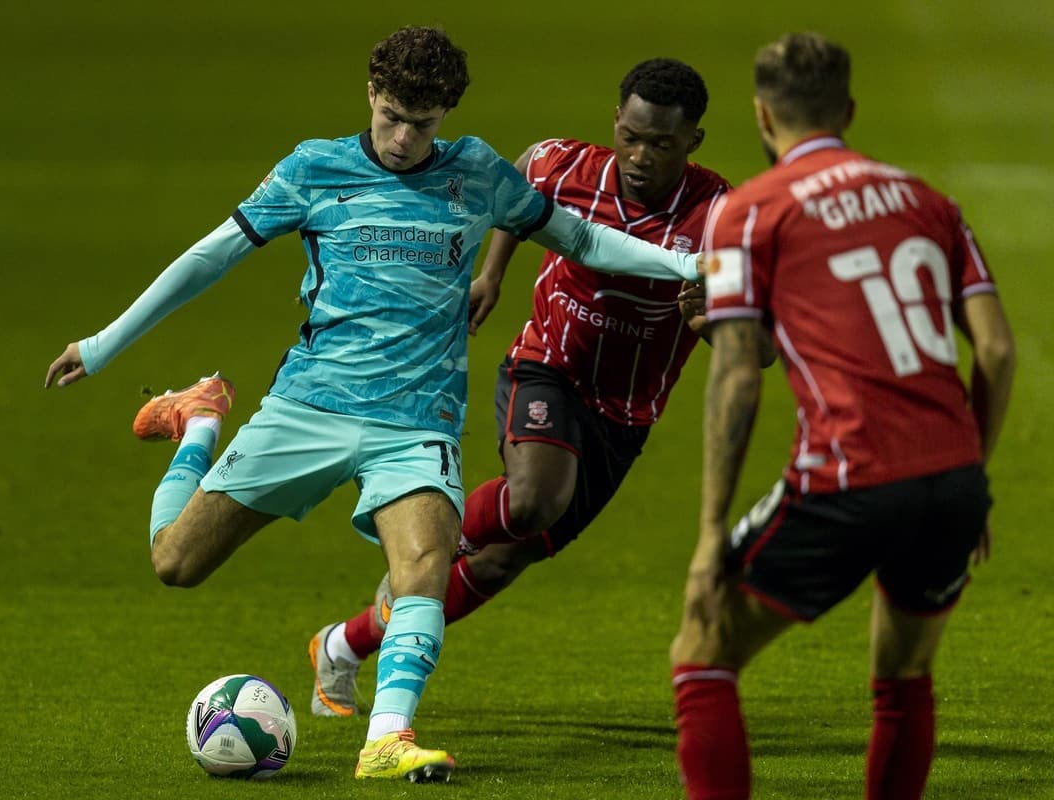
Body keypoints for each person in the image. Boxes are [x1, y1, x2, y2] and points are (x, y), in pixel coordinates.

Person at [43, 26, 701, 783]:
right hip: (308, 408)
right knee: (175, 563)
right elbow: (207, 258)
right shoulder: (314, 169)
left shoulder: (478, 174)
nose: (400, 137)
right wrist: (101, 345)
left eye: (420, 124)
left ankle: (386, 737)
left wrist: (686, 262)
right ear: (370, 95)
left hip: (415, 425)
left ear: (446, 111)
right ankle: (198, 420)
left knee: (423, 566)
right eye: (390, 115)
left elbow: (583, 239)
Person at [308, 59, 772, 719]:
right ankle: (431, 540)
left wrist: (708, 323)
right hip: (547, 366)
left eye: (661, 144)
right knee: (531, 498)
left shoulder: (723, 220)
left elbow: (766, 353)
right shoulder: (565, 167)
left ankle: (341, 647)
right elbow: (516, 178)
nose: (640, 156)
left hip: (625, 416)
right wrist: (493, 274)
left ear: (692, 141)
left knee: (502, 562)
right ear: (616, 120)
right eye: (631, 136)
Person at [669, 32, 1014, 799]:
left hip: (847, 476)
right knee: (904, 674)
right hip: (953, 480)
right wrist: (970, 478)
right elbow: (994, 351)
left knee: (703, 648)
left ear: (762, 115)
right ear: (848, 109)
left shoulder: (748, 213)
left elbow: (736, 373)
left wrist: (706, 537)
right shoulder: (929, 201)